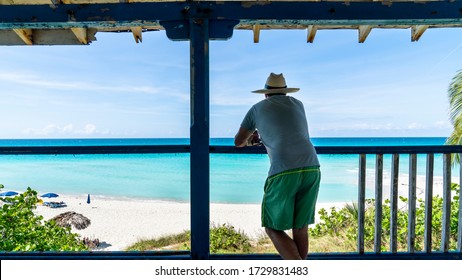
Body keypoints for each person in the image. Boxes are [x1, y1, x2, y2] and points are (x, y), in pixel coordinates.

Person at [234, 73, 321, 260]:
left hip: (284, 168)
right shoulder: (298, 104)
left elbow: (238, 141)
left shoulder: (257, 109)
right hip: (312, 165)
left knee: (272, 227)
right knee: (300, 226)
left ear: (265, 94)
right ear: (285, 91)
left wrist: (252, 140)